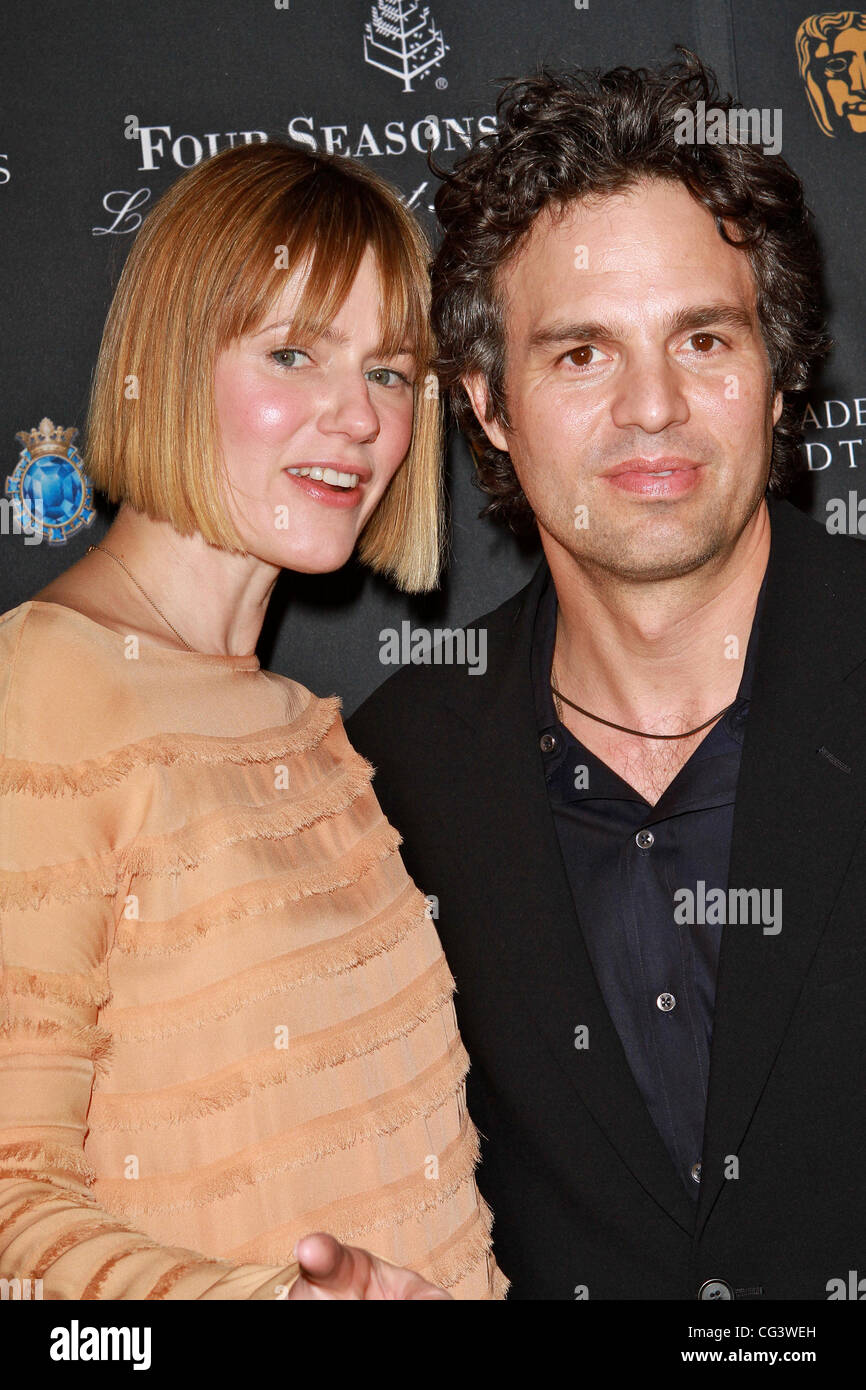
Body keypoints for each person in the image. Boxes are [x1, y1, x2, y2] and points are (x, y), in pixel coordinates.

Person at [347, 52, 866, 1299]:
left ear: (779, 374)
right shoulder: (394, 767)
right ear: (486, 402)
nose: (650, 408)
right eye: (579, 354)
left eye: (701, 337)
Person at [0, 141, 506, 1301]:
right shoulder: (46, 688)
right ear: (171, 364)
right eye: (292, 353)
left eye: (389, 372)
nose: (358, 418)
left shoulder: (303, 727)